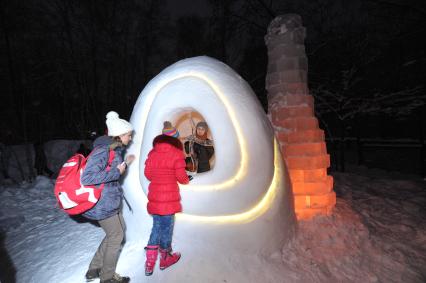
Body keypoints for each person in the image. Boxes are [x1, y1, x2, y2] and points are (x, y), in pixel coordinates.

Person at [81, 111, 135, 283]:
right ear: (119, 135)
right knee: (116, 236)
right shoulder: (103, 150)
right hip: (103, 203)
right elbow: (88, 177)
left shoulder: (112, 149)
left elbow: (110, 169)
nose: (130, 138)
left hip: (110, 200)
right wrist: (117, 171)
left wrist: (125, 164)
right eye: (128, 135)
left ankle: (95, 268)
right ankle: (107, 278)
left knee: (116, 232)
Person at [143, 121, 190, 276]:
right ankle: (165, 258)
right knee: (167, 229)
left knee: (156, 227)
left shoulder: (152, 153)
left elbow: (148, 175)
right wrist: (187, 179)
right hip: (169, 199)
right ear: (175, 139)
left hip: (155, 196)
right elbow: (182, 178)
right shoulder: (177, 154)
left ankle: (149, 263)